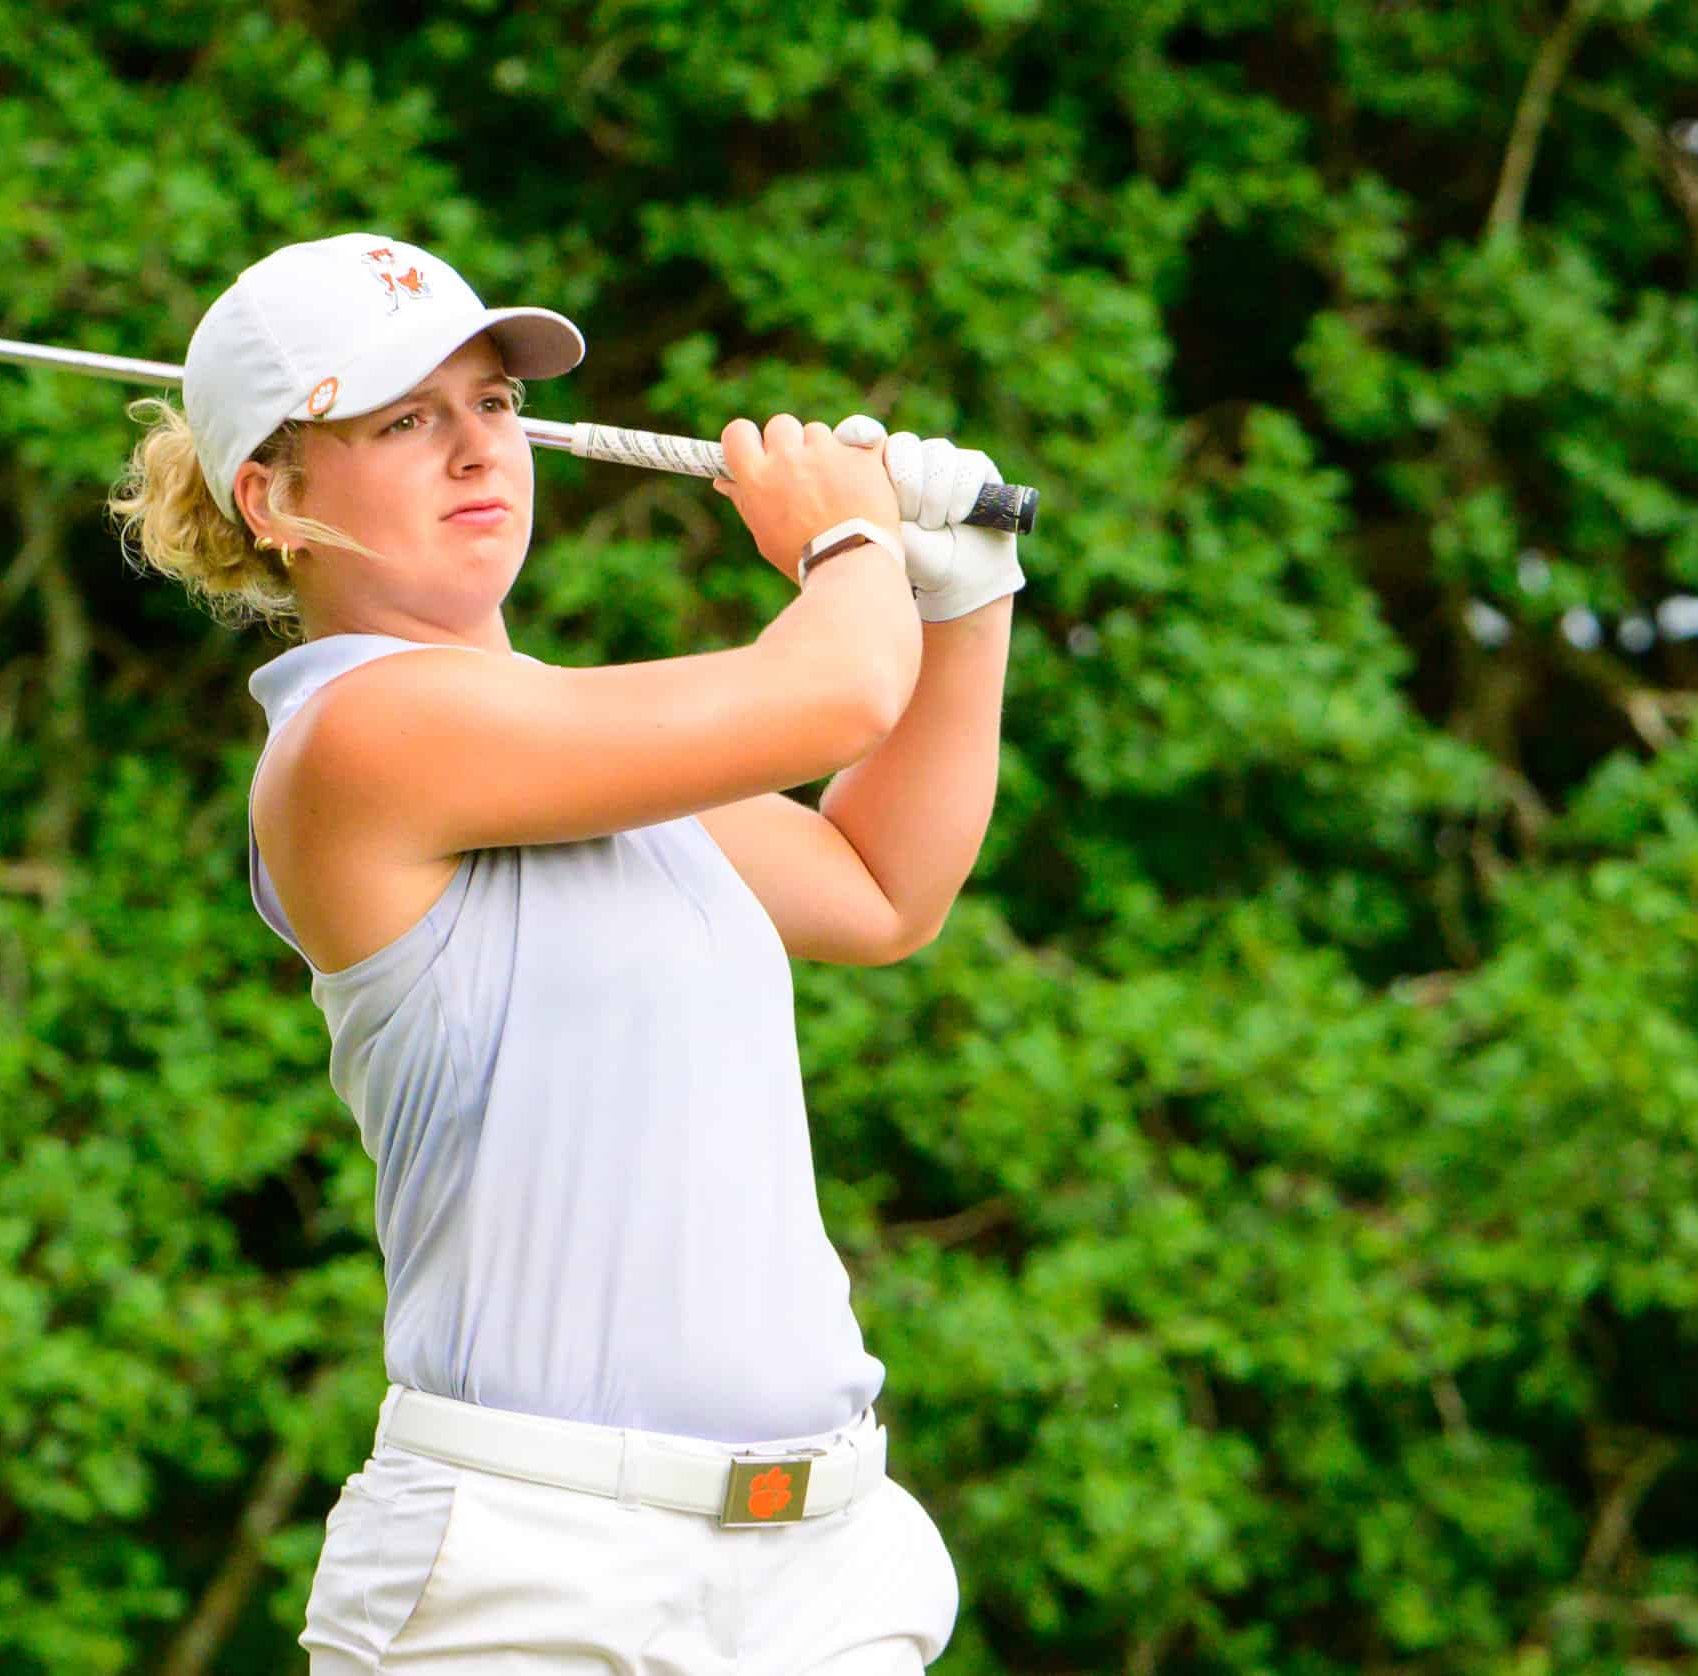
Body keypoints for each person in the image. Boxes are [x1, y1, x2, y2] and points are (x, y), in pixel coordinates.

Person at [107, 232, 1021, 1673]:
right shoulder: (357, 738)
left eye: (493, 404)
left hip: (821, 1573)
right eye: (406, 421)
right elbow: (839, 684)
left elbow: (879, 888)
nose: (478, 451)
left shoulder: (574, 744)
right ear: (271, 496)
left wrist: (964, 600)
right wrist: (846, 539)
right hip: (532, 1583)